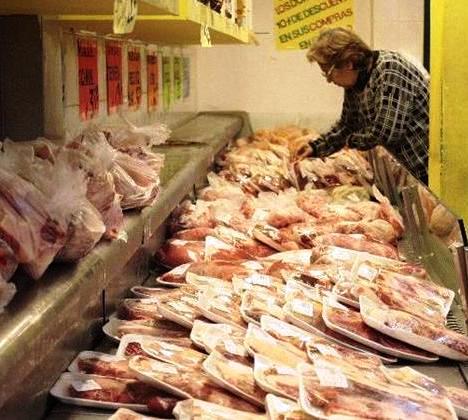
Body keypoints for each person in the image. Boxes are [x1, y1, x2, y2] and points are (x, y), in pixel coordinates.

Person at [300, 27, 429, 184]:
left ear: (348, 63)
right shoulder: (355, 82)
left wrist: (350, 141)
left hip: (424, 171)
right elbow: (347, 125)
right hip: (401, 173)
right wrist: (316, 147)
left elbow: (386, 134)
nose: (329, 80)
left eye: (328, 73)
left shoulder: (390, 69)